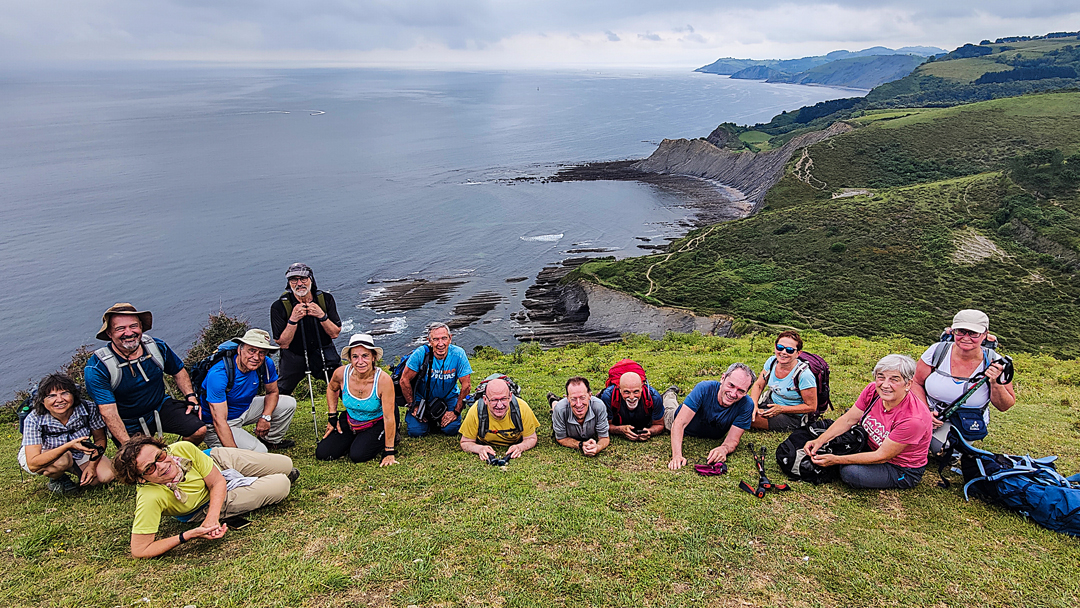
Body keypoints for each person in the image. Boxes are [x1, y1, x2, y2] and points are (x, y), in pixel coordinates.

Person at [113, 435, 298, 558]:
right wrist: (188, 535)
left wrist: (212, 519)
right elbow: (139, 549)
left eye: (160, 456)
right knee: (281, 485)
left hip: (216, 461)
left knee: (286, 463)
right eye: (150, 468)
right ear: (141, 479)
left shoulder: (182, 448)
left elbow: (216, 482)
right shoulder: (150, 497)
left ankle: (255, 479)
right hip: (202, 504)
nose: (162, 465)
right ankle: (261, 481)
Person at [84, 303, 206, 445]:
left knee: (198, 431)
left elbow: (178, 370)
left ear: (141, 327)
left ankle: (178, 458)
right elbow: (108, 413)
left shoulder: (156, 347)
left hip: (160, 406)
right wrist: (129, 446)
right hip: (127, 421)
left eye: (133, 326)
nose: (129, 333)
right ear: (109, 334)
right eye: (120, 329)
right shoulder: (98, 367)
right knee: (140, 461)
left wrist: (190, 396)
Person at [805, 354, 932, 490]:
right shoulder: (872, 390)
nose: (885, 385)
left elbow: (882, 456)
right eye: (881, 377)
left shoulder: (913, 419)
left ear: (908, 384)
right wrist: (820, 440)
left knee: (850, 473)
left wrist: (835, 459)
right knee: (823, 434)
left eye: (894, 380)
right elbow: (848, 419)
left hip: (899, 467)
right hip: (871, 444)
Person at [911, 309, 1015, 448]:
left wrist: (995, 382)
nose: (966, 337)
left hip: (967, 419)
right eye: (961, 331)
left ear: (985, 335)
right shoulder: (937, 351)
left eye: (973, 333)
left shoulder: (995, 362)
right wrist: (925, 412)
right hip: (931, 411)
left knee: (940, 447)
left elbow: (1005, 405)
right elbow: (916, 382)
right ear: (953, 331)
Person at [200, 329, 297, 452]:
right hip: (220, 423)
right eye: (252, 350)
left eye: (262, 352)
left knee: (288, 404)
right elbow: (219, 421)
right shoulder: (219, 374)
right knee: (260, 452)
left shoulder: (266, 364)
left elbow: (272, 392)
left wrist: (265, 417)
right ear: (239, 349)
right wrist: (236, 457)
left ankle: (270, 440)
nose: (256, 357)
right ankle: (219, 445)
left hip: (244, 408)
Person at [19, 373, 115, 494]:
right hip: (42, 454)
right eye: (51, 396)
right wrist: (68, 445)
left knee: (106, 476)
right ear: (42, 401)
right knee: (63, 460)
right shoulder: (34, 419)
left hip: (79, 451)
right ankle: (57, 478)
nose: (59, 400)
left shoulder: (88, 408)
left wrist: (91, 466)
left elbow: (100, 439)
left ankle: (75, 469)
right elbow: (33, 463)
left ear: (73, 395)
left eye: (65, 393)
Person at [315, 334, 398, 466]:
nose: (360, 361)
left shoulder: (383, 380)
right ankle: (357, 439)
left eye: (365, 356)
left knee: (358, 455)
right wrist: (332, 416)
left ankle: (390, 436)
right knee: (323, 453)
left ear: (373, 357)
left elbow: (389, 417)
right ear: (350, 359)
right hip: (351, 419)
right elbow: (332, 389)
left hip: (378, 420)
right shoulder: (341, 374)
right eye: (355, 357)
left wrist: (389, 452)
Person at [269, 263, 342, 396]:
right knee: (280, 392)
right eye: (294, 280)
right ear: (289, 283)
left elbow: (335, 333)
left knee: (342, 384)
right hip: (293, 355)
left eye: (303, 279)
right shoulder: (279, 306)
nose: (299, 283)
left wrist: (321, 315)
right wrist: (293, 320)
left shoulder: (325, 299)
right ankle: (270, 416)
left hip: (323, 349)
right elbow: (283, 343)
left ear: (311, 280)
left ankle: (357, 415)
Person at [667, 363, 756, 471]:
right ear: (723, 378)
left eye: (741, 391)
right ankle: (669, 394)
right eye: (731, 385)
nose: (733, 394)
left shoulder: (747, 405)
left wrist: (724, 449)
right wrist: (677, 456)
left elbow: (733, 440)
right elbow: (678, 424)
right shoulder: (704, 388)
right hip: (674, 419)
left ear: (746, 392)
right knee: (669, 407)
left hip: (704, 429)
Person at [399, 323, 473, 437]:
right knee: (416, 432)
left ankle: (436, 420)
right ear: (429, 341)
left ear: (450, 338)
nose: (440, 344)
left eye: (444, 338)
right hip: (422, 398)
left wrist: (456, 411)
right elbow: (404, 380)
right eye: (436, 339)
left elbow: (466, 385)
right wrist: (412, 405)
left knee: (451, 429)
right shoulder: (420, 354)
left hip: (449, 397)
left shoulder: (458, 354)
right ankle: (429, 421)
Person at [748, 330, 818, 431]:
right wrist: (754, 404)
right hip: (770, 402)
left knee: (747, 418)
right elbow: (759, 385)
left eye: (789, 350)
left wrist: (781, 409)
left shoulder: (804, 375)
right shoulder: (772, 362)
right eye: (780, 348)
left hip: (792, 415)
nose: (783, 352)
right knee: (739, 406)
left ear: (798, 353)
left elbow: (811, 406)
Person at [459, 377, 539, 460]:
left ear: (510, 396)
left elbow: (531, 438)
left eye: (504, 399)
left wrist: (520, 447)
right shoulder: (476, 410)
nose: (500, 405)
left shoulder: (522, 408)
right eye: (494, 400)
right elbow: (466, 442)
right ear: (485, 400)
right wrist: (479, 449)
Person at [599, 370, 666, 441]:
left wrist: (650, 431)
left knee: (667, 401)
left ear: (641, 389)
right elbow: (604, 426)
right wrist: (620, 430)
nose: (631, 397)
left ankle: (669, 393)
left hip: (657, 401)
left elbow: (659, 425)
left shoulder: (653, 397)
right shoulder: (608, 397)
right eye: (626, 392)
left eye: (636, 392)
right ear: (619, 389)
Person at [551, 377, 610, 456]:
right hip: (560, 407)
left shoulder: (599, 406)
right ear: (567, 398)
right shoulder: (560, 409)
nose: (578, 404)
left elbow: (604, 438)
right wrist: (580, 445)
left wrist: (598, 447)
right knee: (556, 407)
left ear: (590, 395)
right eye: (573, 399)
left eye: (582, 398)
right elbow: (561, 438)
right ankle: (553, 401)